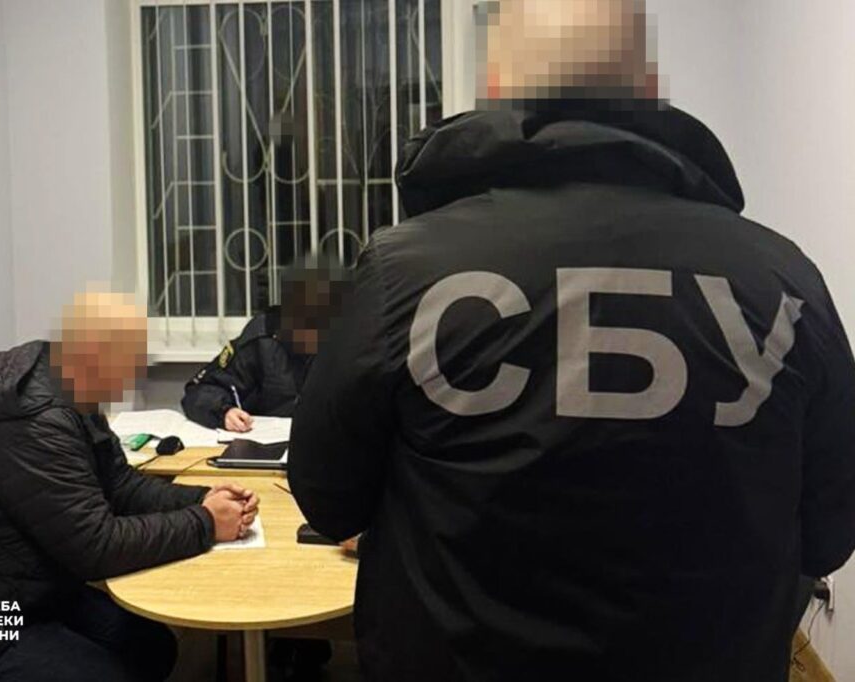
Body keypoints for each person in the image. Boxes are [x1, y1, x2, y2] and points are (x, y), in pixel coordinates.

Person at [288, 2, 855, 681]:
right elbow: (830, 531)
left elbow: (328, 499)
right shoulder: (783, 278)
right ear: (649, 89)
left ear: (495, 88)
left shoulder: (405, 270)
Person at [0, 291, 259, 681]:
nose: (135, 373)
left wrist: (203, 498)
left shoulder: (69, 388)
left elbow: (120, 487)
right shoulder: (38, 422)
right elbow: (97, 547)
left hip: (29, 593)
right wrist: (205, 523)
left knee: (152, 647)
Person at [182, 255, 347, 431]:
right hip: (268, 440)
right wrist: (224, 412)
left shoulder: (351, 338)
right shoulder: (262, 338)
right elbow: (201, 390)